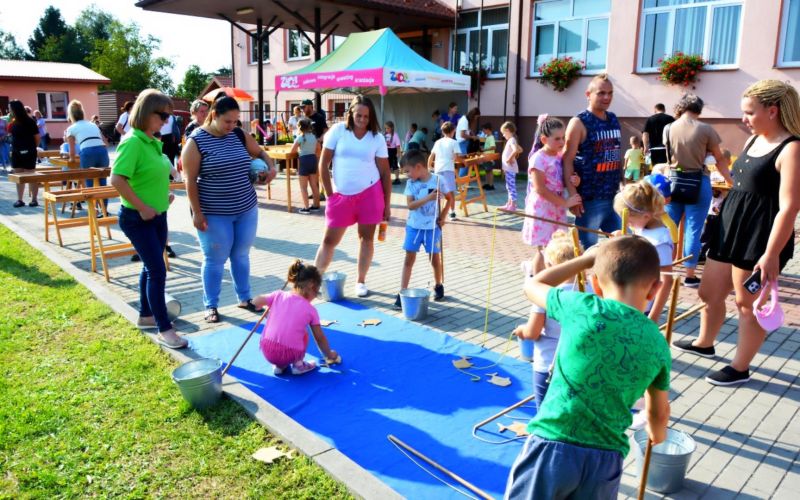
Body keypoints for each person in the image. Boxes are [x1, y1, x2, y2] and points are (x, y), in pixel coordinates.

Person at [505, 236, 670, 499]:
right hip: (605, 460)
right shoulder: (658, 343)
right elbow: (658, 413)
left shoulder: (582, 307)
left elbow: (533, 285)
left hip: (553, 444)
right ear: (655, 289)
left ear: (595, 284)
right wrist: (657, 434)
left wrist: (585, 260)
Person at [674, 80, 800, 387]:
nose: (744, 119)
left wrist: (771, 254)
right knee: (708, 292)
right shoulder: (754, 139)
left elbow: (789, 207)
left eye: (749, 112)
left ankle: (740, 368)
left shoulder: (792, 148)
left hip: (759, 237)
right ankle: (705, 342)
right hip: (729, 228)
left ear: (772, 111)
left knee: (747, 305)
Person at [182, 95, 276, 324]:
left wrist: (271, 167)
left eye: (235, 121)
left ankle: (244, 298)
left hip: (246, 208)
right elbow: (189, 181)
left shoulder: (238, 134)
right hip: (214, 213)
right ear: (214, 115)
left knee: (241, 255)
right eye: (227, 121)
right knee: (215, 260)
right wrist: (197, 213)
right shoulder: (196, 141)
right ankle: (211, 305)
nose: (232, 126)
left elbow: (261, 153)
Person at [109, 89, 186, 349]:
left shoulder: (152, 142)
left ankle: (146, 316)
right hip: (137, 218)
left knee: (150, 267)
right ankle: (164, 329)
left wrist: (163, 196)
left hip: (157, 216)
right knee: (157, 270)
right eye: (162, 115)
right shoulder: (133, 142)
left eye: (169, 116)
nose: (166, 121)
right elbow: (117, 179)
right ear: (145, 112)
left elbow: (148, 175)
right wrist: (142, 207)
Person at [313, 95, 391, 298]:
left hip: (370, 194)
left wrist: (387, 204)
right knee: (329, 240)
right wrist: (329, 194)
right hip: (340, 197)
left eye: (366, 116)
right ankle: (314, 282)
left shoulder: (377, 138)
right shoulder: (338, 131)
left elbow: (385, 173)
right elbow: (323, 164)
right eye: (359, 115)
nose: (362, 120)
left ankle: (360, 281)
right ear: (351, 113)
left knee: (366, 239)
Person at [663, 93, 733, 288]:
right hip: (698, 181)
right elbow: (719, 159)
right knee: (693, 229)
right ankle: (690, 275)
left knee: (669, 227)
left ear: (681, 107)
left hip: (674, 181)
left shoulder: (668, 128)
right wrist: (730, 181)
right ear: (699, 109)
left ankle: (665, 270)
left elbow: (668, 155)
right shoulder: (706, 129)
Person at [513, 231, 586, 409]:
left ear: (549, 265)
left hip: (548, 365)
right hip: (581, 365)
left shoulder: (545, 295)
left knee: (545, 412)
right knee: (573, 410)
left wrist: (521, 330)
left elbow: (532, 332)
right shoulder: (592, 291)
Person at [562, 74, 622, 248]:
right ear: (588, 94)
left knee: (623, 246)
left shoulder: (613, 119)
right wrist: (573, 195)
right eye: (601, 93)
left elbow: (616, 153)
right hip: (590, 200)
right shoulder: (579, 122)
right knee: (587, 251)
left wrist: (623, 183)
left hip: (614, 196)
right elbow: (567, 160)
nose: (607, 97)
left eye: (610, 93)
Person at [253, 259, 338, 376]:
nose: (315, 297)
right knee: (304, 334)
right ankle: (298, 365)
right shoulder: (311, 310)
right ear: (311, 285)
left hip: (267, 351)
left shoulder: (278, 295)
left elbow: (256, 301)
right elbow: (320, 338)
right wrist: (329, 355)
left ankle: (279, 366)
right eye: (317, 292)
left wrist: (261, 307)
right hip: (290, 354)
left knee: (280, 332)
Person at [522, 115, 582, 274]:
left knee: (555, 247)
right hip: (542, 209)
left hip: (556, 208)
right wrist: (565, 203)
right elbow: (540, 189)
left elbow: (563, 178)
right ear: (544, 139)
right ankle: (537, 281)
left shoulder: (559, 156)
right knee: (543, 250)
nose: (562, 142)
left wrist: (574, 180)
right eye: (557, 139)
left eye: (563, 138)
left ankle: (551, 280)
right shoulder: (538, 159)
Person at [394, 150, 450, 308]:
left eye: (407, 171)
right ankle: (402, 292)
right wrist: (428, 198)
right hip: (414, 227)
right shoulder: (411, 184)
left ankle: (438, 285)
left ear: (418, 167)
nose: (406, 175)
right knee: (409, 259)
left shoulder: (438, 180)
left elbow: (450, 198)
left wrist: (443, 217)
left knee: (434, 258)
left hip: (432, 228)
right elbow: (410, 205)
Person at [614, 181, 674, 322]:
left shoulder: (660, 241)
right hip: (628, 300)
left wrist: (653, 316)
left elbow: (667, 281)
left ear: (646, 216)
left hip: (642, 308)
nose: (627, 225)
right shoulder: (643, 227)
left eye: (629, 222)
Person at [65, 100, 109, 192]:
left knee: (89, 182)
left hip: (87, 152)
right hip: (102, 151)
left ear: (71, 115)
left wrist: (71, 160)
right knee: (102, 182)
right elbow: (106, 143)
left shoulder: (71, 129)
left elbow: (72, 152)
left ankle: (91, 200)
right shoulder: (93, 125)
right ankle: (103, 201)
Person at [8, 100, 40, 207]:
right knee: (19, 176)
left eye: (10, 109)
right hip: (16, 153)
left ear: (15, 109)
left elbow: (37, 138)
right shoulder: (13, 123)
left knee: (31, 175)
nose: (9, 111)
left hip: (29, 153)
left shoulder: (30, 121)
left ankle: (34, 200)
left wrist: (32, 148)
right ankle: (20, 200)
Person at [428, 121, 460, 222]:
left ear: (443, 132)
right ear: (453, 131)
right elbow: (456, 157)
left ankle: (436, 212)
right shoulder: (454, 142)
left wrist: (429, 166)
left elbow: (431, 155)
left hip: (438, 169)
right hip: (448, 170)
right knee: (450, 192)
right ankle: (452, 212)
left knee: (437, 192)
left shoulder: (438, 142)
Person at [290, 118, 321, 214]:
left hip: (304, 160)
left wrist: (300, 150)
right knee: (314, 185)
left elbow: (292, 150)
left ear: (300, 127)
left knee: (303, 187)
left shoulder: (300, 137)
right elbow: (318, 148)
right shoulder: (314, 137)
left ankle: (306, 208)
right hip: (313, 159)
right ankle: (316, 205)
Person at [499, 121, 522, 211]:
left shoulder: (512, 140)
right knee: (509, 186)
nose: (503, 135)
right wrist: (512, 157)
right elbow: (520, 149)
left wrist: (509, 159)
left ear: (508, 131)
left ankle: (513, 205)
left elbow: (516, 150)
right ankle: (509, 203)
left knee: (511, 186)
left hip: (510, 168)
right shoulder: (512, 140)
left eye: (504, 133)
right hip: (508, 169)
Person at [456, 108, 481, 176]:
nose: (476, 119)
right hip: (462, 143)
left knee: (466, 163)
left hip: (464, 143)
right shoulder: (464, 121)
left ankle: (462, 180)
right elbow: (462, 135)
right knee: (465, 164)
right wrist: (473, 137)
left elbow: (468, 130)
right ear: (473, 115)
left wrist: (473, 135)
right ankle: (460, 181)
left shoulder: (466, 119)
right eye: (476, 117)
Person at [384, 120, 402, 185]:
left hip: (393, 151)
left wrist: (398, 152)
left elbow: (398, 145)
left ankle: (397, 179)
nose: (386, 129)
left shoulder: (395, 135)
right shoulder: (385, 135)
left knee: (395, 166)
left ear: (392, 128)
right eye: (385, 128)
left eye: (388, 128)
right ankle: (387, 179)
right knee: (387, 166)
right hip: (387, 151)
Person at [481, 123, 497, 190]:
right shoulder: (487, 137)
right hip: (486, 156)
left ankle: (491, 185)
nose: (483, 132)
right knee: (487, 170)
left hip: (489, 157)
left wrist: (484, 149)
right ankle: (487, 183)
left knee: (490, 171)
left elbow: (493, 147)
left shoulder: (491, 137)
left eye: (484, 130)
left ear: (488, 129)